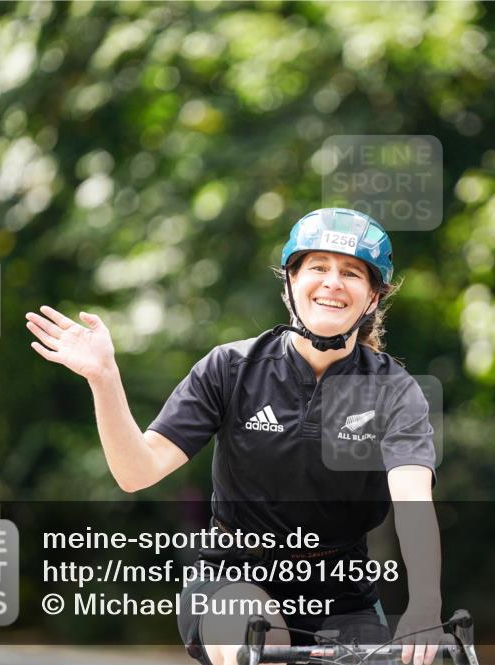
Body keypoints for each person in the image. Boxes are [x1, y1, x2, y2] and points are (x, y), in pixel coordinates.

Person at [26, 208, 442, 665]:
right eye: (318, 267)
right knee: (264, 646)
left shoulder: (394, 390)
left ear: (372, 297)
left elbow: (413, 502)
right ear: (290, 281)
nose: (332, 282)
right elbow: (135, 472)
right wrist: (104, 379)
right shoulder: (230, 368)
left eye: (351, 272)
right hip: (232, 576)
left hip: (342, 593)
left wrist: (425, 604)